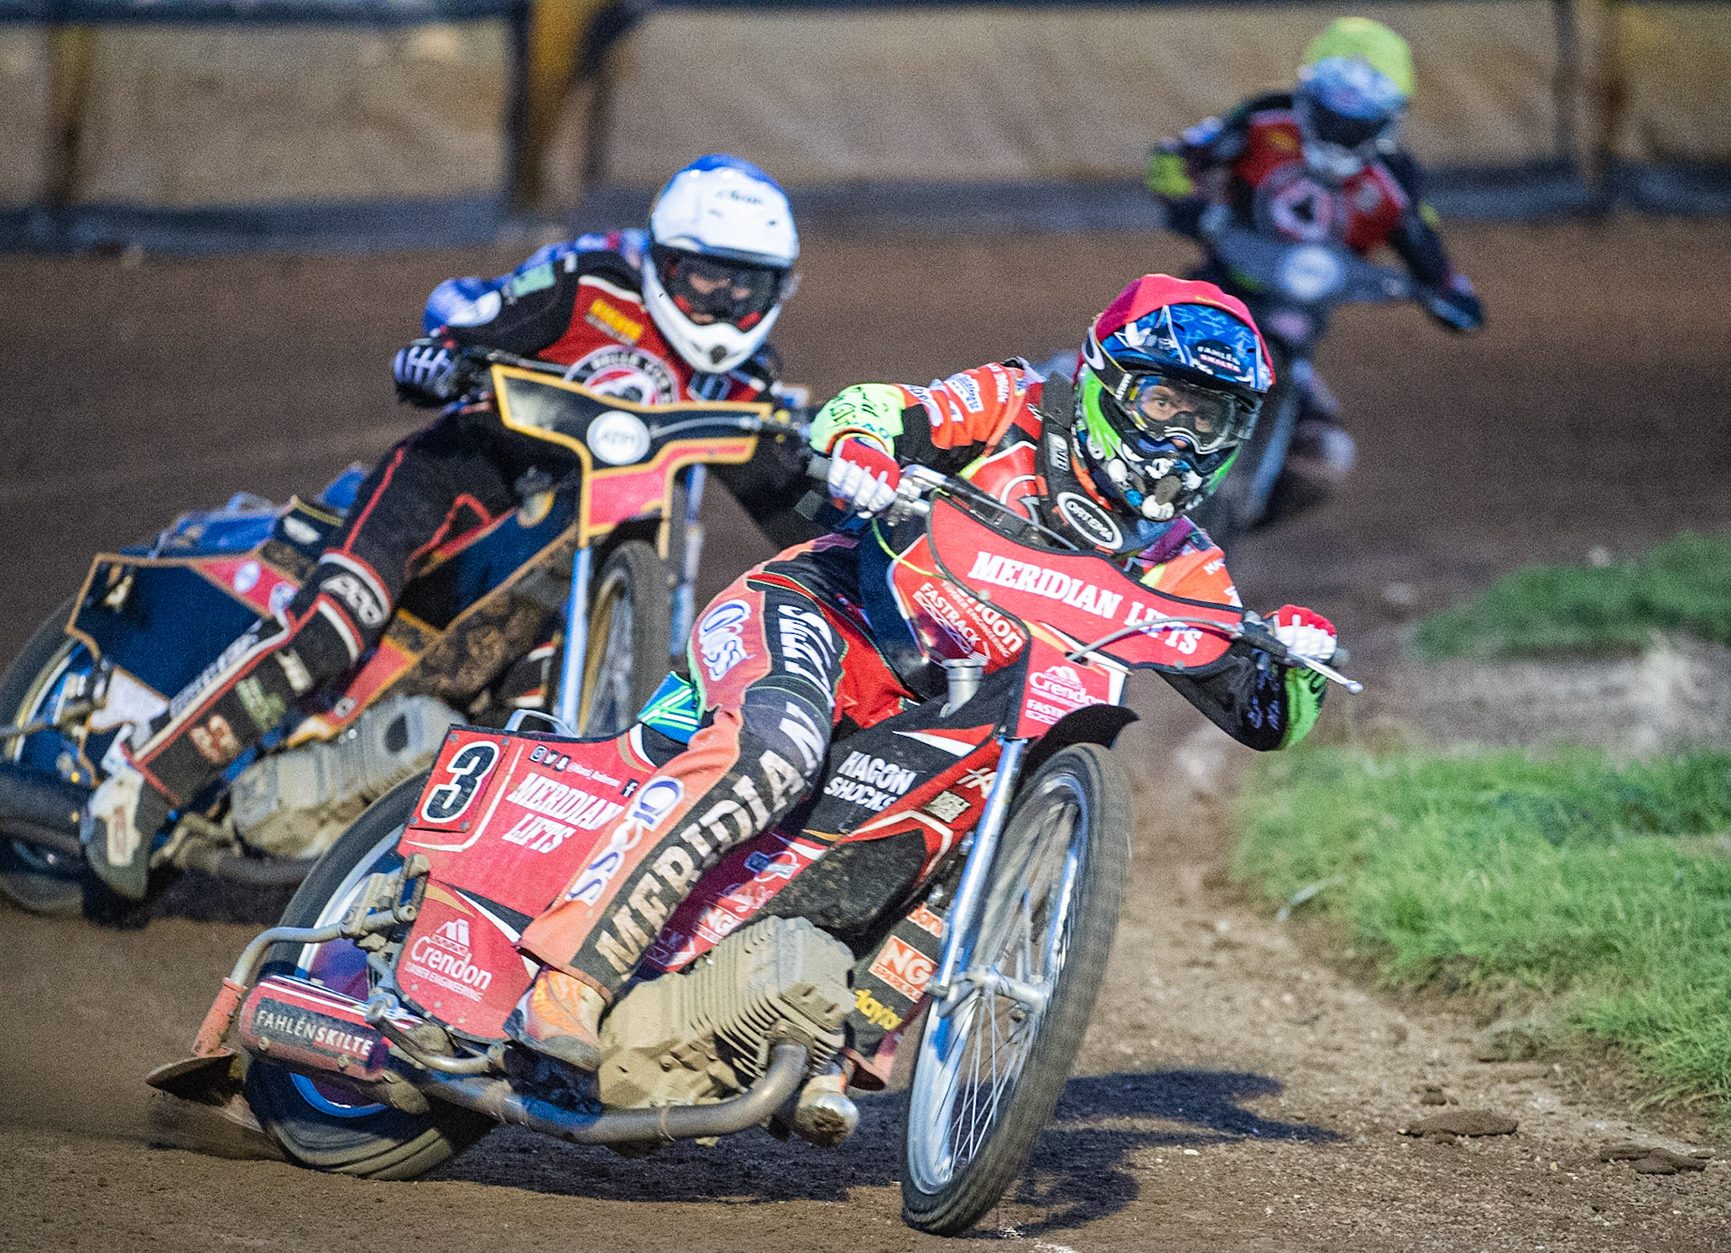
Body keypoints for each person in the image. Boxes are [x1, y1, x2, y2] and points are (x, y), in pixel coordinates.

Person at [505, 273, 1341, 1070]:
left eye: (1212, 419)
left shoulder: (1181, 559)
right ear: (1107, 383)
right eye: (1165, 404)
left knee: (1003, 802)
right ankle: (571, 977)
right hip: (822, 616)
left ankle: (847, 1033)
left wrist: (1299, 660)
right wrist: (862, 447)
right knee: (778, 748)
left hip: (938, 721)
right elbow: (873, 407)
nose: (1183, 439)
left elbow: (1263, 715)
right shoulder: (1010, 403)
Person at [84, 155, 803, 899]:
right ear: (661, 260)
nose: (723, 300)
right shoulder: (586, 284)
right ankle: (142, 781)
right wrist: (443, 357)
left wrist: (860, 515)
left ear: (778, 289)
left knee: (521, 715)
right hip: (457, 482)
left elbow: (795, 509)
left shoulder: (746, 385)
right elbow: (478, 320)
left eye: (746, 283)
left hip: (569, 567)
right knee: (336, 618)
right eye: (705, 276)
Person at [1146, 16, 1482, 506]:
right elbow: (1173, 159)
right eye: (1333, 103)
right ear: (1309, 94)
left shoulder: (1396, 178)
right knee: (1132, 379)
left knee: (1325, 457)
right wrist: (1193, 210)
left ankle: (1217, 538)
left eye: (1361, 110)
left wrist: (1449, 293)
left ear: (1388, 117)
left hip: (1294, 334)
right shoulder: (1265, 119)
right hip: (1210, 298)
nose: (1343, 121)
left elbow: (1429, 251)